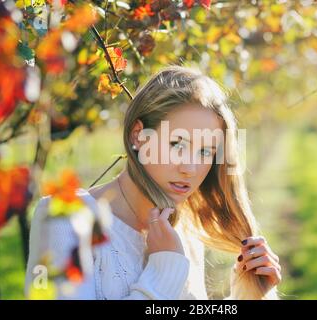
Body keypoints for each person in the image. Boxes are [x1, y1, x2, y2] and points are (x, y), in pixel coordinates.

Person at [25, 65, 281, 300]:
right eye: (177, 144)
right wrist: (164, 267)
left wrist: (246, 297)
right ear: (139, 136)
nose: (190, 168)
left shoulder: (184, 230)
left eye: (205, 152)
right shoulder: (65, 219)